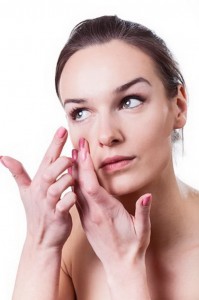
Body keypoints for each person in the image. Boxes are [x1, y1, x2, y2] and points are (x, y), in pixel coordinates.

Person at [1, 15, 199, 300]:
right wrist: (40, 242)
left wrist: (125, 273)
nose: (106, 135)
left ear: (179, 107)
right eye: (80, 112)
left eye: (130, 101)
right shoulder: (65, 241)